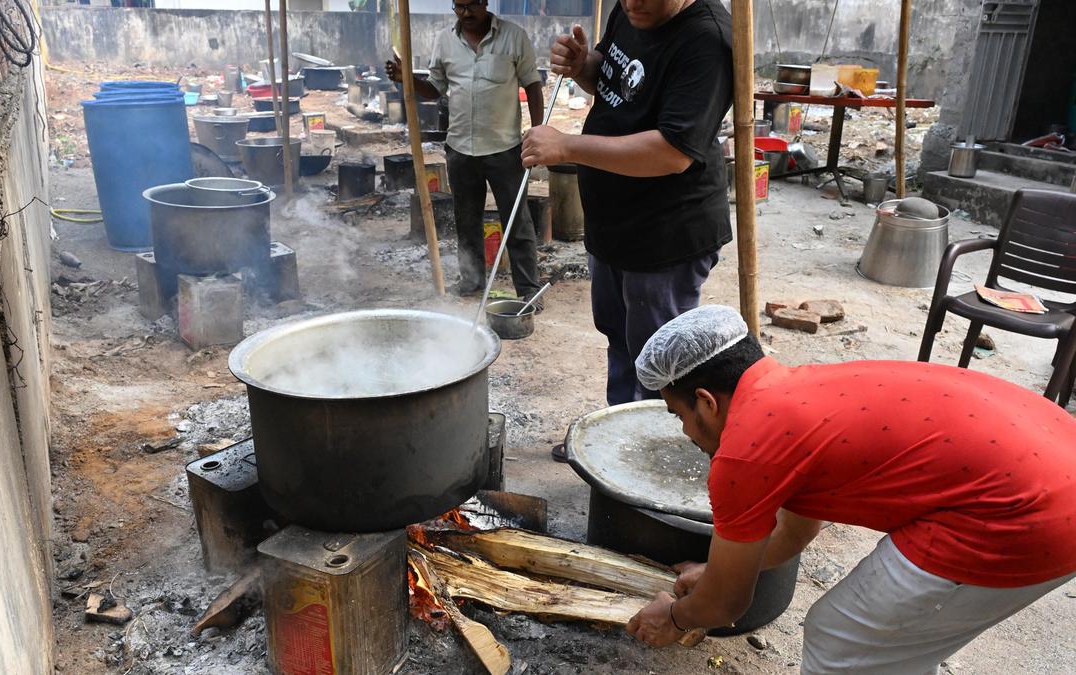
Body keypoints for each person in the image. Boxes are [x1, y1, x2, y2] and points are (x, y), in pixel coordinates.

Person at [623, 305, 1076, 673]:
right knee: (890, 648)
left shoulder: (744, 452)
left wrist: (677, 617)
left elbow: (725, 605)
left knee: (843, 640)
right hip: (1057, 461)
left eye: (677, 414)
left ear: (706, 401)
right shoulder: (797, 394)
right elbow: (797, 532)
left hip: (1025, 515)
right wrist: (713, 572)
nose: (684, 430)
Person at [525, 0, 734, 409]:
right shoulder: (633, 9)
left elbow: (672, 152)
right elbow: (614, 81)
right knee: (620, 341)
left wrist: (567, 146)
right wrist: (583, 63)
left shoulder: (707, 42)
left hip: (665, 235)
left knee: (660, 360)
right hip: (614, 225)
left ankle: (654, 453)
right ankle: (616, 438)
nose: (634, 2)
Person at [386, 0, 544, 304]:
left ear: (485, 2)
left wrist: (538, 133)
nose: (466, 13)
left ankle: (528, 290)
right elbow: (436, 87)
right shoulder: (445, 40)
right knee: (466, 220)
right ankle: (471, 282)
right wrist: (408, 79)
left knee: (517, 222)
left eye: (472, 5)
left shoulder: (513, 37)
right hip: (460, 149)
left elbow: (533, 86)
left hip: (505, 149)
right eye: (459, 6)